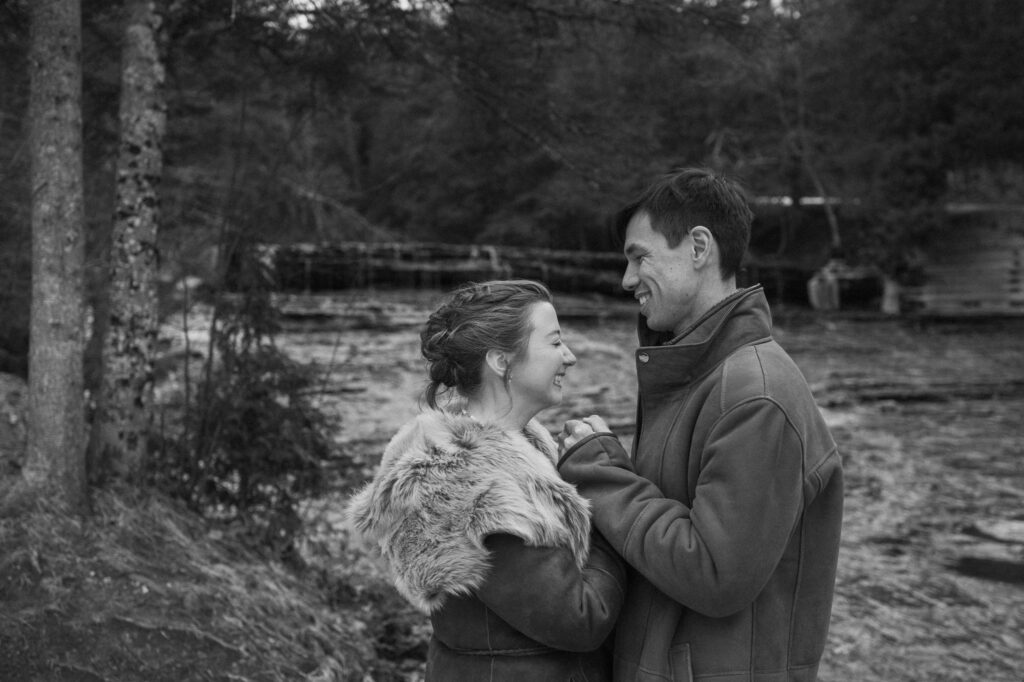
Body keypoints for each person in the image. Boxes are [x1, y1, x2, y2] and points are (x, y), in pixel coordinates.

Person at [558, 168, 844, 682]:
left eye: (639, 256)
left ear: (698, 247)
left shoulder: (756, 394)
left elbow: (715, 573)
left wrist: (600, 473)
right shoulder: (696, 374)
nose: (627, 281)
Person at [347, 279, 625, 681]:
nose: (571, 356)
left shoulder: (515, 454)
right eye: (554, 342)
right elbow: (580, 619)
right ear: (501, 361)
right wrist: (612, 495)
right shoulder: (472, 485)